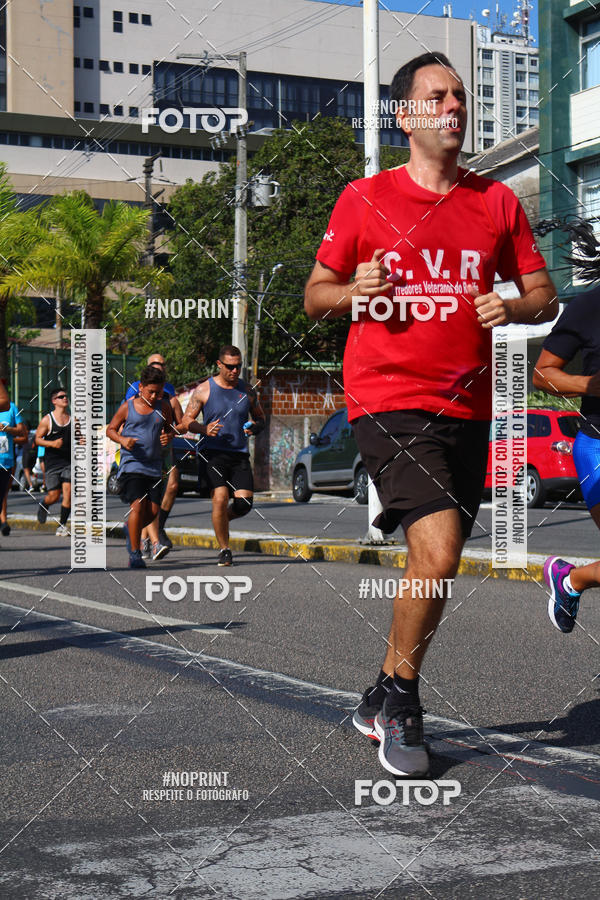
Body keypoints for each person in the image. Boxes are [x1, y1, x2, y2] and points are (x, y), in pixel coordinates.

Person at [304, 52, 557, 777]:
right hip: (387, 398)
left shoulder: (495, 203)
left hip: (468, 405)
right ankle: (405, 705)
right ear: (406, 115)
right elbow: (315, 296)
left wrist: (510, 305)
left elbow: (543, 293)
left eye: (460, 96)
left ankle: (381, 693)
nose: (454, 107)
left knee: (430, 562)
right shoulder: (364, 199)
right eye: (438, 96)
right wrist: (354, 291)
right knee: (441, 553)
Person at [533, 220, 600, 632]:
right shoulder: (588, 308)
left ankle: (570, 579)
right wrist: (589, 385)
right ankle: (571, 580)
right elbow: (543, 374)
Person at [179, 345, 265, 566]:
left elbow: (260, 418)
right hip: (212, 452)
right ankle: (225, 550)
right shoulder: (204, 390)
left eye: (238, 366)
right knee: (220, 497)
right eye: (229, 366)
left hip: (239, 454)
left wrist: (254, 427)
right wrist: (203, 429)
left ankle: (220, 519)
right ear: (219, 364)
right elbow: (186, 421)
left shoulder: (248, 391)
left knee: (244, 504)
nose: (234, 371)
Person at [107, 365, 174, 568]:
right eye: (150, 391)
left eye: (158, 392)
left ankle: (130, 528)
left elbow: (170, 429)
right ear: (141, 387)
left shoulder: (163, 407)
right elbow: (111, 429)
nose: (154, 396)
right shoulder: (128, 407)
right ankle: (135, 554)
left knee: (152, 512)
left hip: (154, 466)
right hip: (132, 464)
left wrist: (168, 436)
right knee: (137, 505)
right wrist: (122, 439)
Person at [125, 353, 183, 557]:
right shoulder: (135, 388)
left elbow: (181, 423)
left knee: (171, 487)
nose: (160, 367)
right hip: (141, 453)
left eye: (163, 364)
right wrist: (126, 440)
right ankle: (151, 540)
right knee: (143, 500)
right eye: (156, 364)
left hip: (164, 449)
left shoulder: (169, 391)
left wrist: (171, 433)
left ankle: (151, 532)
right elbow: (126, 418)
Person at [35, 388, 72, 535]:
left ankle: (62, 526)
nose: (65, 398)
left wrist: (81, 441)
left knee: (68, 492)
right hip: (52, 463)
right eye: (61, 397)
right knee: (54, 496)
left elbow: (78, 438)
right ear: (54, 401)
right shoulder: (47, 420)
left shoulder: (73, 420)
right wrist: (52, 444)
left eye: (66, 396)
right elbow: (37, 439)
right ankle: (44, 504)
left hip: (69, 462)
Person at [0, 390, 27, 534]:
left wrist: (8, 429)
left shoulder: (11, 408)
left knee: (3, 492)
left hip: (6, 459)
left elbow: (23, 433)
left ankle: (3, 520)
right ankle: (3, 521)